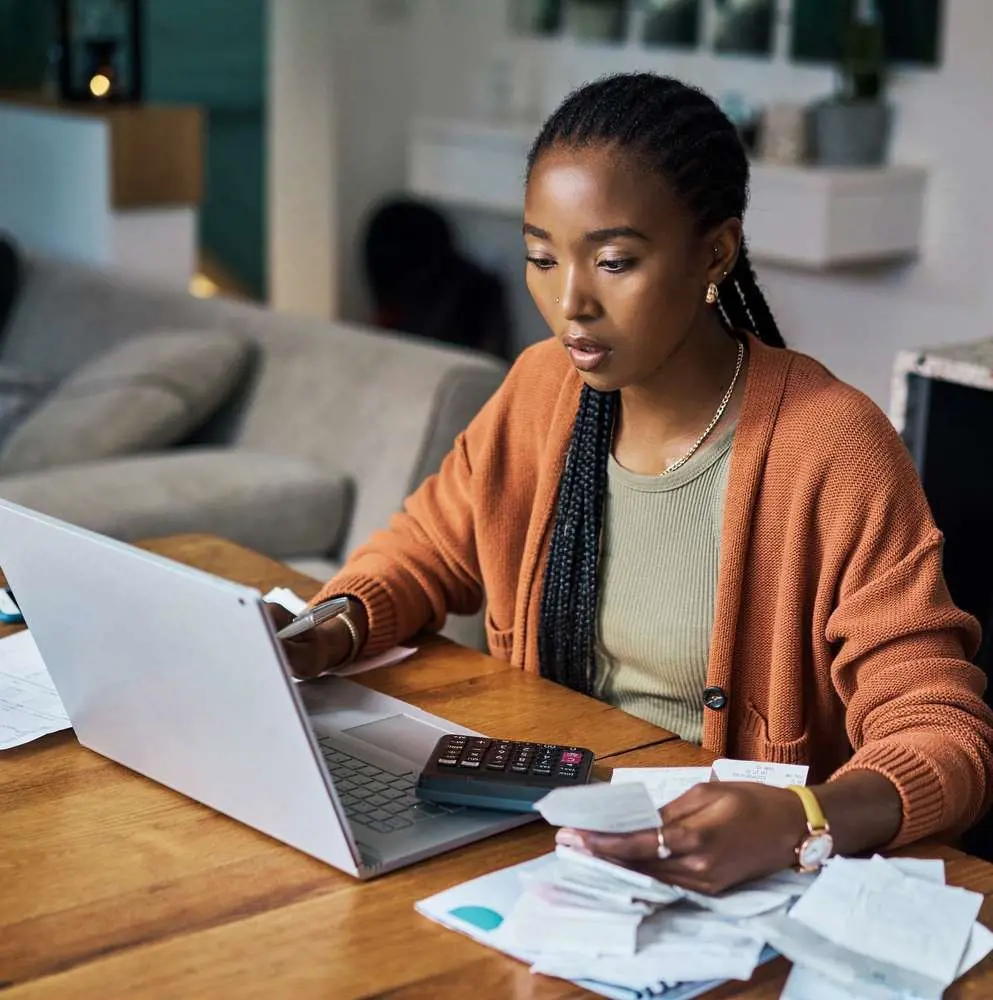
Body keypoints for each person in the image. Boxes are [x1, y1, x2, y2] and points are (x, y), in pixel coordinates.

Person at [268, 73, 993, 894]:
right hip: (546, 840)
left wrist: (806, 818)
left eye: (613, 261)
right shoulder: (543, 389)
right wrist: (326, 627)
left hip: (731, 877)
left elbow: (943, 735)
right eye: (540, 258)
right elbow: (428, 546)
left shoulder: (830, 446)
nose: (569, 302)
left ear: (714, 251)